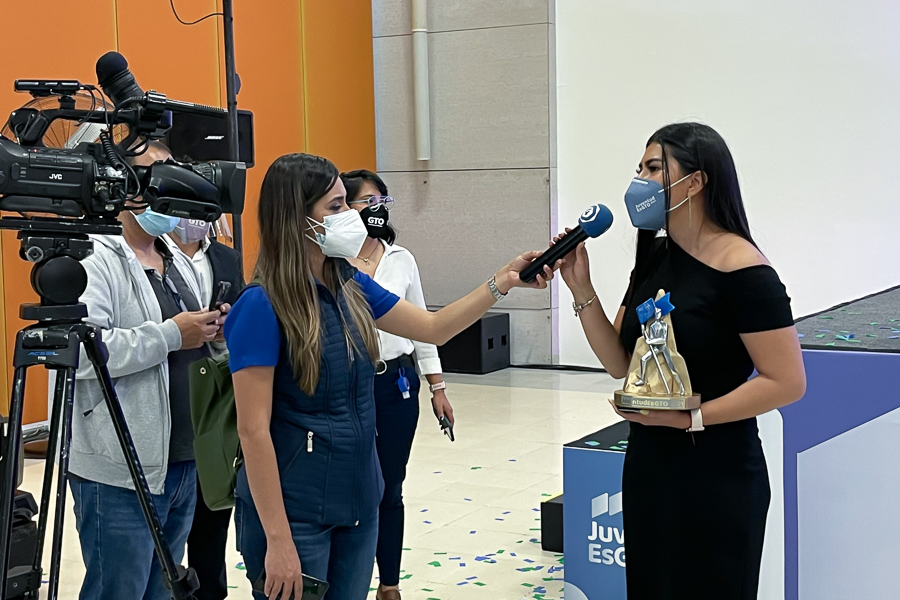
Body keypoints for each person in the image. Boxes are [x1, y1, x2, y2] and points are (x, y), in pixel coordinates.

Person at [225, 153, 553, 600]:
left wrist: (502, 282)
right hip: (297, 515)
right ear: (297, 219)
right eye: (336, 207)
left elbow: (432, 327)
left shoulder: (350, 286)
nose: (353, 217)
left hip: (360, 500)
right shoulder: (260, 306)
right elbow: (253, 430)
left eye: (348, 203)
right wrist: (278, 541)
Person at [556, 122, 806, 600]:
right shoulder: (654, 257)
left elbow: (786, 382)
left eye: (654, 169)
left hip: (719, 473)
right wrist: (581, 286)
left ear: (695, 182)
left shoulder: (744, 269)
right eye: (640, 170)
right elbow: (618, 361)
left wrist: (690, 417)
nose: (640, 184)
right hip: (651, 466)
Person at [66, 141, 224, 600]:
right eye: (157, 174)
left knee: (163, 590)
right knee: (118, 590)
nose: (174, 186)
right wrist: (173, 334)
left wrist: (213, 332)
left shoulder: (176, 260)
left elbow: (190, 346)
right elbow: (82, 354)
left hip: (181, 462)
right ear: (122, 184)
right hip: (119, 469)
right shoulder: (92, 259)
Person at [341, 169, 451, 600]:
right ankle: (348, 578)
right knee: (352, 484)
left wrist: (437, 386)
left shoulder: (401, 258)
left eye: (381, 202)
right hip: (348, 382)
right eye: (365, 202)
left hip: (397, 382)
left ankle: (389, 584)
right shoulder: (330, 262)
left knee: (390, 485)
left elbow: (425, 325)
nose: (376, 210)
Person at [165, 218, 243, 600]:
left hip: (214, 400)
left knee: (213, 517)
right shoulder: (153, 256)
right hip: (170, 402)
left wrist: (228, 326)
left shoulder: (227, 258)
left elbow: (242, 319)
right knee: (164, 538)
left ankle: (211, 592)